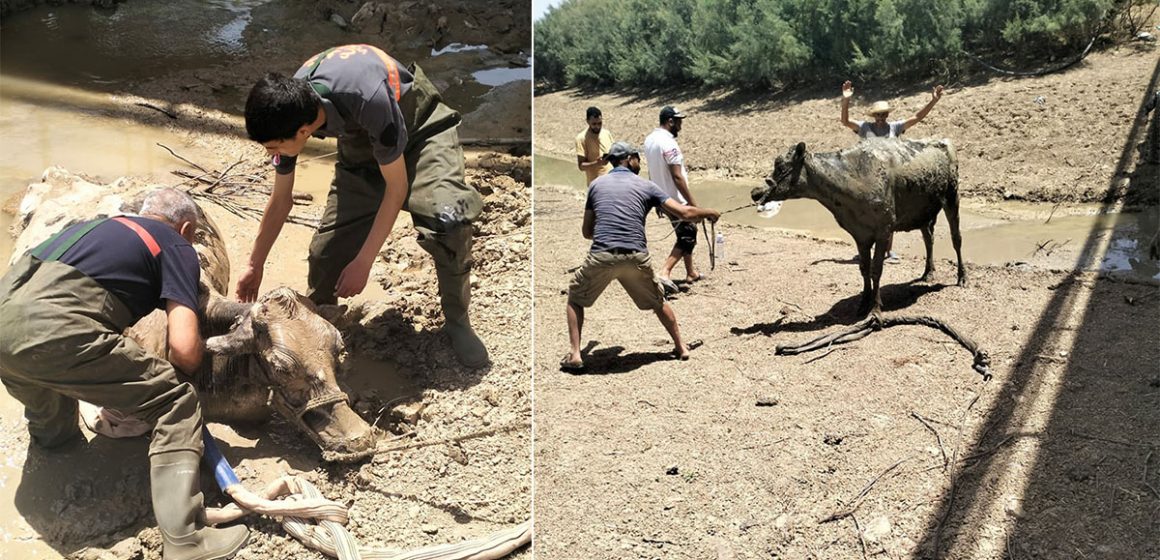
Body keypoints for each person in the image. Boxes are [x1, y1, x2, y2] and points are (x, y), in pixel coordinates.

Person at [0, 188, 249, 560]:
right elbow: (184, 351)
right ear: (185, 229)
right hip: (58, 330)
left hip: (5, 325)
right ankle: (187, 541)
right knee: (175, 401)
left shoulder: (91, 228)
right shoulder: (176, 245)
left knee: (48, 381)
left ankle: (54, 453)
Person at [241, 43, 487, 368]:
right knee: (325, 256)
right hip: (363, 147)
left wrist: (364, 262)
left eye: (274, 147)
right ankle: (321, 328)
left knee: (448, 220)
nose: (272, 152)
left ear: (303, 131)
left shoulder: (367, 98)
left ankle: (457, 321)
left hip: (419, 133)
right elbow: (281, 199)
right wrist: (255, 264)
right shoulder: (290, 107)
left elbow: (396, 188)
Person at [562, 142, 720, 372]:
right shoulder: (647, 186)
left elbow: (587, 232)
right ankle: (681, 347)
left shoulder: (596, 185)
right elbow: (685, 213)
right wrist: (710, 212)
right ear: (629, 159)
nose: (639, 162)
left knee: (575, 298)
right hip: (636, 256)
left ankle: (575, 354)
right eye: (637, 158)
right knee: (658, 301)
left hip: (602, 255)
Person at [840, 81, 945, 262]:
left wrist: (933, 101)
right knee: (865, 214)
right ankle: (865, 249)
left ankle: (888, 252)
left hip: (890, 176)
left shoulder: (894, 128)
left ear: (887, 115)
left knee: (888, 214)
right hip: (868, 176)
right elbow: (845, 121)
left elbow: (917, 117)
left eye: (883, 114)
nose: (880, 117)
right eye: (878, 115)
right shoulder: (865, 128)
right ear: (874, 116)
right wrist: (846, 100)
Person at [643, 105, 699, 290]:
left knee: (683, 232)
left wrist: (656, 201)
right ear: (670, 121)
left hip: (661, 197)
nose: (680, 125)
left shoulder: (650, 140)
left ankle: (690, 272)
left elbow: (652, 171)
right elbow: (677, 176)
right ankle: (665, 272)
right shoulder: (668, 143)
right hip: (675, 199)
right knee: (689, 234)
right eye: (679, 121)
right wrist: (692, 204)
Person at [576, 106, 613, 184]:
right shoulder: (581, 138)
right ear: (587, 121)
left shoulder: (607, 133)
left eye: (600, 123)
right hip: (596, 184)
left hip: (611, 180)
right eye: (594, 124)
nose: (597, 126)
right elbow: (581, 166)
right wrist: (597, 163)